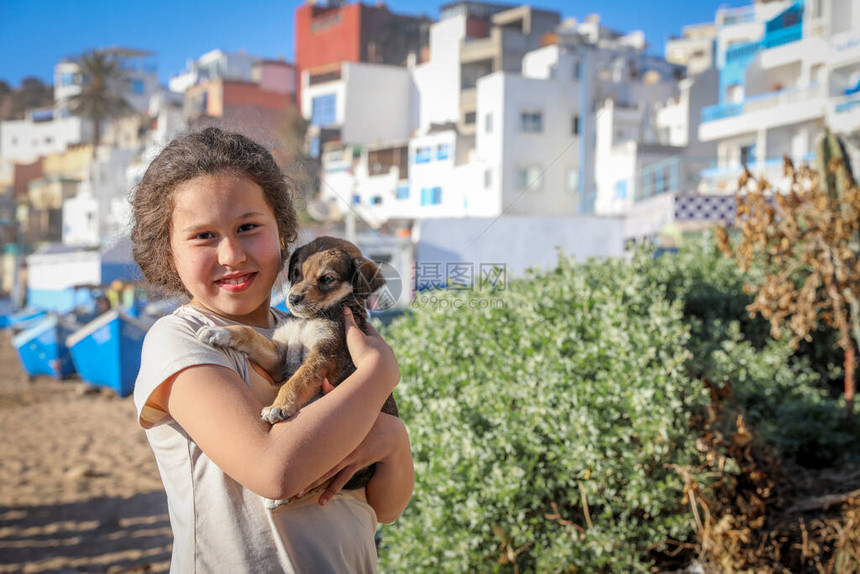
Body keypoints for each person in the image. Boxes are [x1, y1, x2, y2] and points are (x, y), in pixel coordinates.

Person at [131, 127, 413, 573]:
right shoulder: (179, 341)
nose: (232, 254)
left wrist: (395, 440)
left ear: (283, 233)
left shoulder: (304, 331)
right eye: (203, 235)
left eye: (248, 227)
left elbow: (384, 507)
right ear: (167, 252)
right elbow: (274, 473)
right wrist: (378, 374)